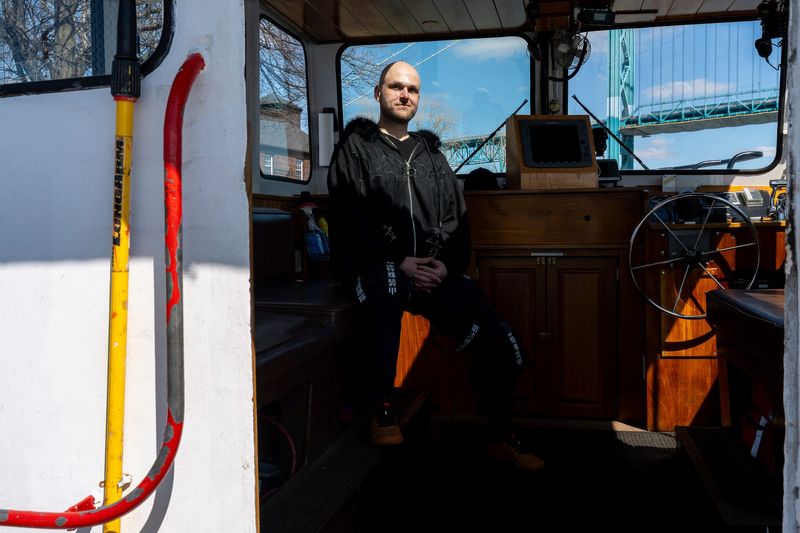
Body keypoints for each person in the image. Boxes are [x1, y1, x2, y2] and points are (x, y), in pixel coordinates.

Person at [326, 61, 543, 470]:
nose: (405, 94)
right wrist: (398, 260)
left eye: (413, 89)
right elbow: (349, 212)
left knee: (493, 327)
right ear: (378, 94)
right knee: (386, 286)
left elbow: (454, 219)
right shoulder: (355, 148)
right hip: (379, 267)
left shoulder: (433, 157)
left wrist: (443, 266)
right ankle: (381, 407)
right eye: (396, 87)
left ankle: (501, 433)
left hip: (430, 271)